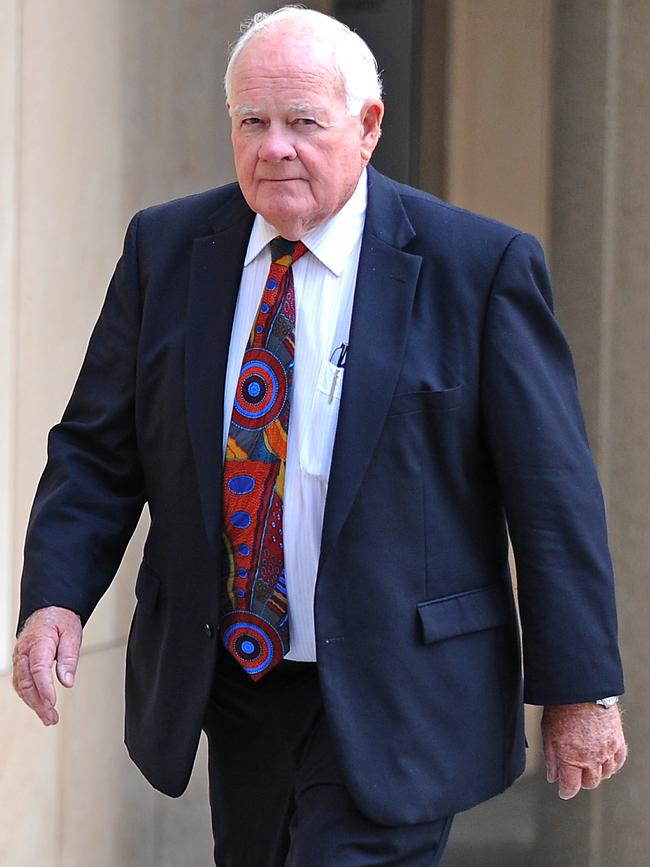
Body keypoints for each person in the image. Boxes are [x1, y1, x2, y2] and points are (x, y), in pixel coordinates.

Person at [12, 6, 627, 866]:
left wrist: (580, 688)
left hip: (398, 691)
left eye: (302, 122)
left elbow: (553, 496)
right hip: (239, 685)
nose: (274, 148)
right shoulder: (168, 249)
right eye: (251, 123)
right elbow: (99, 450)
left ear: (367, 127)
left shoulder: (476, 269)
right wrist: (55, 596)